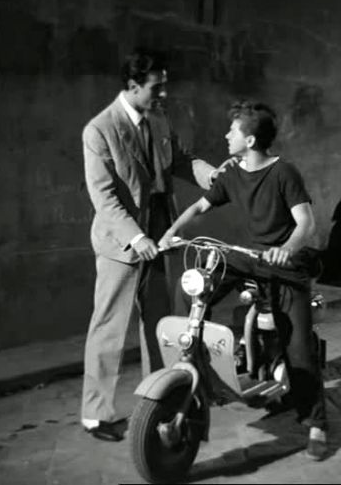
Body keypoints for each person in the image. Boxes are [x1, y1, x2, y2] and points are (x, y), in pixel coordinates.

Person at [158, 101, 329, 461]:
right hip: (246, 256)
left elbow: (306, 224)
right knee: (193, 285)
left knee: (299, 350)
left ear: (250, 140)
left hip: (283, 264)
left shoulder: (284, 173)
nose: (225, 135)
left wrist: (286, 248)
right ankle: (193, 361)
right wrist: (172, 232)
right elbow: (200, 207)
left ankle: (315, 423)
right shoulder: (233, 172)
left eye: (232, 131)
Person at [81, 48, 230, 442]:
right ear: (132, 87)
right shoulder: (99, 131)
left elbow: (181, 160)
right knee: (108, 328)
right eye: (156, 87)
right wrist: (136, 237)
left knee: (159, 324)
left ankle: (158, 398)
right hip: (123, 243)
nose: (163, 94)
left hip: (162, 236)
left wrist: (214, 176)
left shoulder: (159, 119)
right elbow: (105, 199)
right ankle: (96, 415)